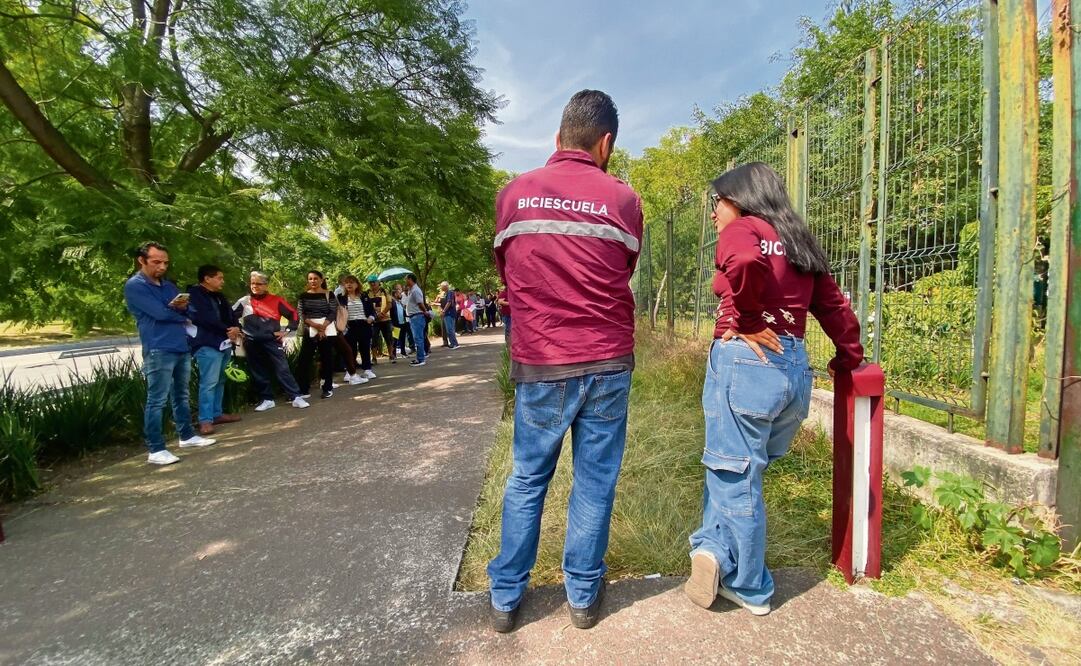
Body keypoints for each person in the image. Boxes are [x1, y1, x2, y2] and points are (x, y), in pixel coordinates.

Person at [486, 90, 642, 632]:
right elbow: (621, 271)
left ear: (558, 137)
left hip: (541, 363)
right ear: (606, 143)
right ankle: (582, 595)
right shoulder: (624, 200)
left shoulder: (513, 195)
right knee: (595, 482)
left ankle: (506, 597)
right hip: (607, 360)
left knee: (528, 479)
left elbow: (510, 274)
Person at [683, 162, 863, 617]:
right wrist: (849, 355)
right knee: (738, 468)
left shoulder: (743, 229)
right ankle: (713, 551)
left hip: (748, 361)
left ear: (740, 199)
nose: (714, 213)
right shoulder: (798, 238)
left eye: (717, 202)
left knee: (734, 471)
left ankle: (749, 585)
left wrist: (746, 320)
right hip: (794, 369)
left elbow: (744, 262)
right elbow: (834, 305)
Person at [124, 242, 216, 465]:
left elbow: (188, 308)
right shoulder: (135, 286)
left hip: (180, 345)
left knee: (181, 395)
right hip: (158, 348)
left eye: (165, 262)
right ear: (142, 260)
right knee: (157, 400)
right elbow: (160, 313)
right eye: (156, 262)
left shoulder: (167, 286)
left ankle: (186, 436)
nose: (162, 266)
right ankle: (156, 449)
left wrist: (180, 311)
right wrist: (179, 313)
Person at [232, 272, 309, 412]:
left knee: (282, 368)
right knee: (258, 371)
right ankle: (267, 399)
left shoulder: (276, 300)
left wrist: (287, 330)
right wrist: (239, 329)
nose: (255, 286)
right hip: (251, 341)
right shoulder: (244, 301)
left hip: (272, 340)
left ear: (266, 285)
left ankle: (296, 397)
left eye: (258, 283)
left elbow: (293, 314)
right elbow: (230, 316)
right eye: (252, 283)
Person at [187, 264, 243, 436]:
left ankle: (216, 414)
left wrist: (236, 328)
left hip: (224, 343)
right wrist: (227, 330)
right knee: (208, 382)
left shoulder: (219, 296)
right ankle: (205, 420)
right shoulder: (195, 295)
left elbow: (231, 314)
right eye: (219, 278)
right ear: (207, 279)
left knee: (219, 380)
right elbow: (203, 318)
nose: (222, 281)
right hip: (207, 343)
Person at [296, 270, 360, 399]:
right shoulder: (303, 296)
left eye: (315, 278)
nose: (313, 281)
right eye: (310, 279)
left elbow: (332, 312)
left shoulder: (328, 294)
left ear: (321, 280)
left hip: (327, 330)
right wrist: (314, 325)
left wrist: (322, 327)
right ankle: (303, 389)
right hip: (310, 329)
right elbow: (301, 313)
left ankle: (327, 387)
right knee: (304, 359)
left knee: (327, 359)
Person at [340, 275, 376, 382]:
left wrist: (371, 318)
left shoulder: (364, 296)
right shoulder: (341, 297)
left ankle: (367, 369)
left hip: (364, 324)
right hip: (349, 326)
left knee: (365, 347)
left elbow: (372, 311)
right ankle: (350, 371)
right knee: (350, 349)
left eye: (351, 282)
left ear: (357, 284)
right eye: (347, 283)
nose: (349, 285)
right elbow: (338, 312)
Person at [367, 276, 398, 363]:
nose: (372, 284)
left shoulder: (384, 291)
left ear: (378, 282)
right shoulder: (367, 293)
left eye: (374, 282)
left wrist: (382, 313)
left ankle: (391, 355)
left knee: (389, 338)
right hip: (374, 320)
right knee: (374, 338)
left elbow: (390, 304)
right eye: (370, 282)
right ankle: (374, 358)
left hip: (385, 319)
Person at [404, 274, 429, 366]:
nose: (405, 281)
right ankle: (419, 357)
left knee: (418, 338)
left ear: (410, 279)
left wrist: (425, 311)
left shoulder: (415, 290)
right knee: (417, 338)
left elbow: (420, 303)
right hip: (413, 317)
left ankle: (421, 359)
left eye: (406, 279)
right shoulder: (411, 290)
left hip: (417, 316)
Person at [390, 284, 413, 358]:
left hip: (403, 323)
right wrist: (391, 324)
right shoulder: (392, 303)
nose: (401, 295)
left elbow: (403, 312)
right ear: (395, 294)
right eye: (399, 294)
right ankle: (393, 354)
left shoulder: (400, 303)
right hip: (396, 324)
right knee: (395, 339)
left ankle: (403, 352)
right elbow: (390, 314)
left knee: (402, 338)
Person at [438, 281, 460, 348]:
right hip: (448, 313)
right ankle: (454, 343)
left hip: (449, 313)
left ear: (445, 286)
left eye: (441, 286)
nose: (441, 287)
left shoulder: (450, 293)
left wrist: (444, 311)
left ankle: (454, 344)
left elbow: (449, 302)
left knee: (449, 329)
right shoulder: (446, 293)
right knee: (450, 329)